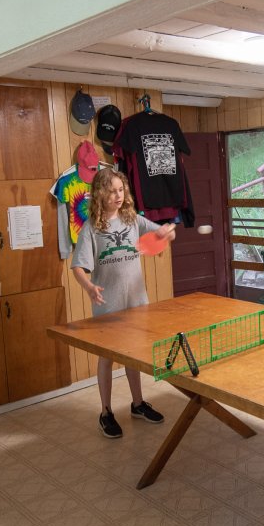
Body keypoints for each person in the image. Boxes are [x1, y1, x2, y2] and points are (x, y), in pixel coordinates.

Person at [72, 166, 176, 439]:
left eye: (121, 190)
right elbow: (78, 268)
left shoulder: (133, 220)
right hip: (108, 307)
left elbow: (161, 233)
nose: (118, 195)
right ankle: (106, 412)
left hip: (137, 303)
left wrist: (168, 232)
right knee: (106, 359)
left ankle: (138, 404)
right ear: (100, 194)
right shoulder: (91, 229)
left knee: (133, 355)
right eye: (112, 191)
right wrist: (89, 287)